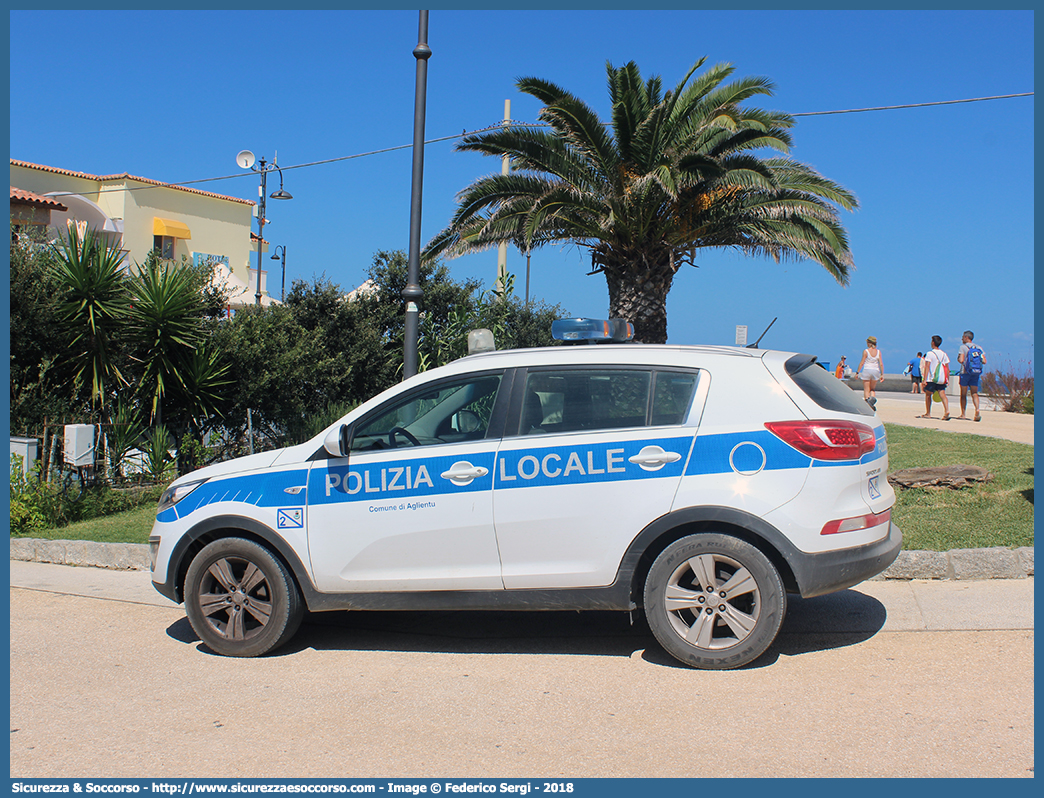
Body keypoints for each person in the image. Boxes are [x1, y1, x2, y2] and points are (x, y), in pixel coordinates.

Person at [956, 330, 987, 421]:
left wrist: (958, 358)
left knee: (963, 394)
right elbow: (984, 361)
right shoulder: (979, 347)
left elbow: (961, 360)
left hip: (965, 373)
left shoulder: (963, 347)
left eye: (963, 337)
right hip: (975, 372)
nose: (962, 338)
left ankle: (963, 414)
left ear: (966, 337)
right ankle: (977, 409)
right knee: (974, 393)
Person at [919, 335, 950, 420]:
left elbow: (927, 366)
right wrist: (947, 379)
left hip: (931, 378)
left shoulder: (930, 353)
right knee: (942, 394)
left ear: (933, 342)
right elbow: (947, 368)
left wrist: (924, 379)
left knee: (928, 395)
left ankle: (928, 413)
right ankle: (946, 410)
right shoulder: (944, 354)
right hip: (941, 378)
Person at [857, 336, 883, 409]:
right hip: (875, 370)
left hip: (867, 369)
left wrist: (857, 372)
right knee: (872, 389)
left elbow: (862, 362)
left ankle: (867, 404)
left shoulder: (866, 351)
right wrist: (882, 374)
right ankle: (872, 402)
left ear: (869, 343)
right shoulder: (878, 352)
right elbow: (881, 363)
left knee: (866, 389)